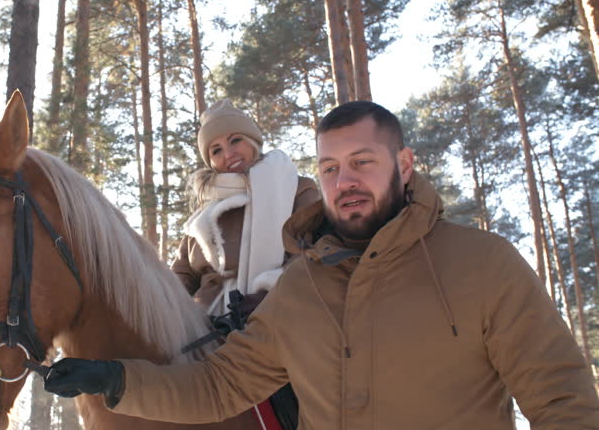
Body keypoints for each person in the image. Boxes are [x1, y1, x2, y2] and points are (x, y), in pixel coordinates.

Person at [44, 101, 599, 429]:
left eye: (362, 162)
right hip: (214, 327)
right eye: (331, 167)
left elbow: (562, 399)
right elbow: (217, 387)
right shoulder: (301, 290)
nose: (344, 181)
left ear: (404, 165)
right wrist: (115, 378)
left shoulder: (483, 265)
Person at [170, 98, 320, 429]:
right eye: (216, 150)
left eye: (235, 140)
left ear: (252, 140)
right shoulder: (203, 214)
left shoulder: (297, 190)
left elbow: (309, 254)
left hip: (277, 319)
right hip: (206, 329)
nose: (229, 154)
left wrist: (269, 298)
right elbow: (179, 277)